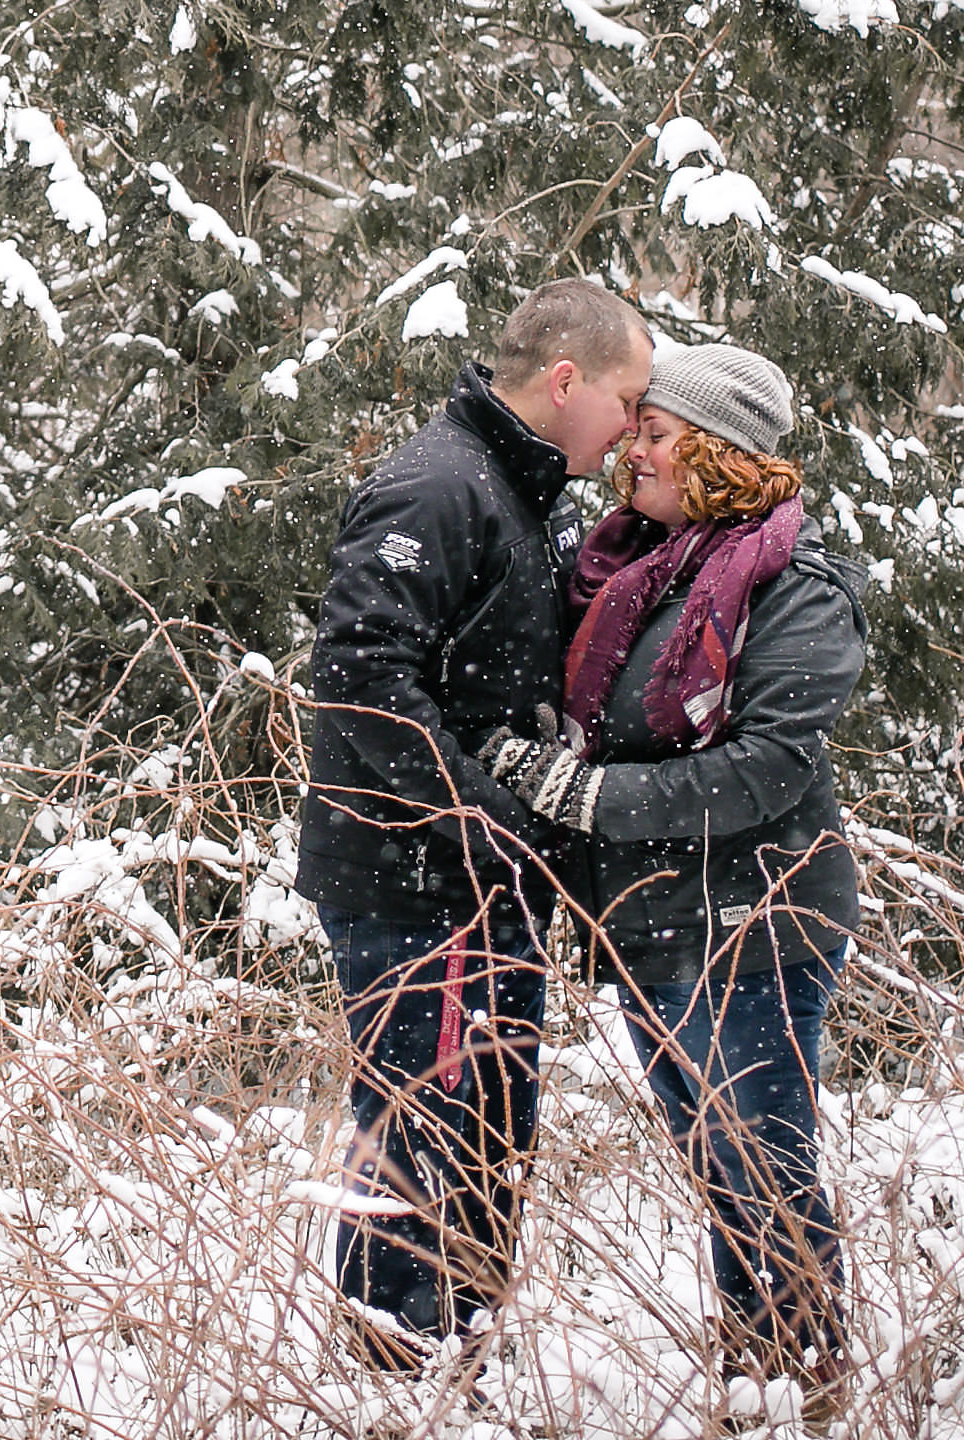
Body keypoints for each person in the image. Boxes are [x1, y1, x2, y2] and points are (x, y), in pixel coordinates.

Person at [483, 342, 867, 1422]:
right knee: (722, 1172)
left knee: (766, 1171)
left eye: (655, 436)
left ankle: (803, 1380)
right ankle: (758, 1373)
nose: (631, 455)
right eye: (638, 430)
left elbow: (768, 764)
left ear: (719, 452)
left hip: (756, 919)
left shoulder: (795, 581)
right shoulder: (638, 568)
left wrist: (592, 800)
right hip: (651, 927)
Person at [297, 277, 653, 1368]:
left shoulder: (515, 487)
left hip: (471, 885)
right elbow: (360, 680)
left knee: (484, 1135)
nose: (636, 428)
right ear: (564, 381)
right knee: (429, 1138)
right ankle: (397, 1368)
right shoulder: (439, 487)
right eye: (629, 400)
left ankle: (453, 1356)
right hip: (421, 887)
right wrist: (489, 824)